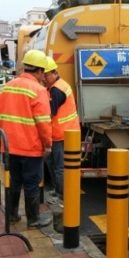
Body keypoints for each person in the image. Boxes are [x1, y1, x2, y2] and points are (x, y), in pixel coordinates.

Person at [0, 49, 53, 229]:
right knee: (31, 182)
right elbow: (43, 122)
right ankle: (33, 219)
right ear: (39, 71)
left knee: (15, 180)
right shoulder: (39, 90)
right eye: (43, 72)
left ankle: (12, 214)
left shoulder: (8, 86)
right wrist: (48, 144)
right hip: (30, 146)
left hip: (9, 145)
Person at [42, 57, 80, 206]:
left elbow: (50, 113)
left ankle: (62, 195)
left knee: (59, 166)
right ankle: (58, 190)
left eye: (46, 75)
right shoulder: (59, 85)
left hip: (61, 134)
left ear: (54, 73)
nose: (44, 78)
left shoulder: (57, 90)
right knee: (52, 163)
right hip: (63, 132)